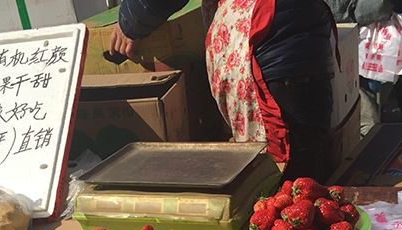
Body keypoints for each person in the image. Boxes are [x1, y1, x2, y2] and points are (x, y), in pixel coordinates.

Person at [110, 0, 338, 181]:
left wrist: (129, 22)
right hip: (300, 39)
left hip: (268, 42)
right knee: (304, 174)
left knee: (283, 179)